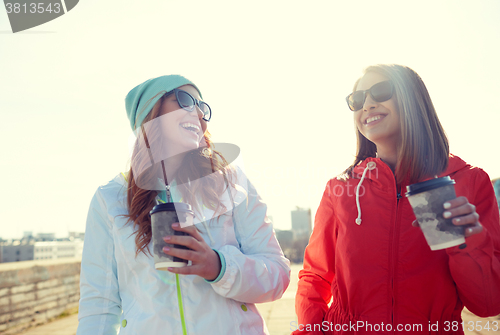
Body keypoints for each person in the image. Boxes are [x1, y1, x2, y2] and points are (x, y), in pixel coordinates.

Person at [293, 64, 500, 335]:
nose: (367, 104)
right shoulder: (340, 190)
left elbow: (487, 304)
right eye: (357, 99)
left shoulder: (466, 182)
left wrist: (465, 241)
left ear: (412, 99)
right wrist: (310, 331)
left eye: (380, 91)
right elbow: (315, 277)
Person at [77, 75, 291, 335]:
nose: (199, 113)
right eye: (186, 100)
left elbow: (278, 275)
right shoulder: (109, 199)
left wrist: (219, 267)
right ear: (151, 113)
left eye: (203, 108)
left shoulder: (230, 182)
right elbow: (99, 307)